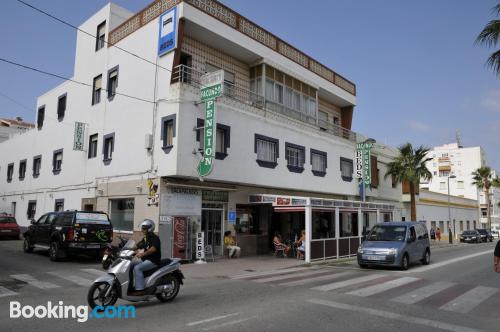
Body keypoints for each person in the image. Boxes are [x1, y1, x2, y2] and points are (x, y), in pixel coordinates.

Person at [130, 219, 161, 295]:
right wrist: (128, 250)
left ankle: (140, 290)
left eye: (144, 228)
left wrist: (142, 254)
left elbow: (153, 248)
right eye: (142, 228)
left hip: (153, 260)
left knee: (137, 268)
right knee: (129, 264)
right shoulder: (145, 238)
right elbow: (138, 245)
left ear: (150, 228)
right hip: (145, 259)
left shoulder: (155, 238)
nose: (142, 230)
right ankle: (130, 285)